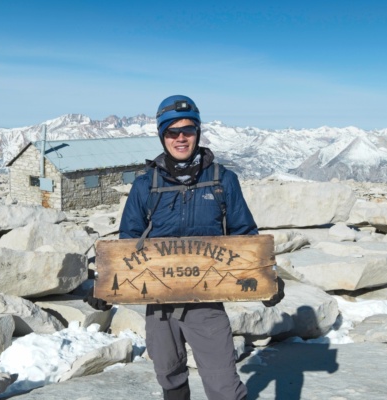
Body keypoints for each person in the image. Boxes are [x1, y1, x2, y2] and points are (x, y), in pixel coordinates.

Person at [86, 95, 283, 400]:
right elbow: (126, 247)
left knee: (223, 385)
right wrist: (104, 288)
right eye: (172, 132)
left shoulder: (222, 181)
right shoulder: (145, 185)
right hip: (158, 300)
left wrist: (267, 280)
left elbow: (246, 236)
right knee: (169, 376)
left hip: (207, 299)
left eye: (187, 131)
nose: (180, 138)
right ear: (162, 135)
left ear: (198, 132)